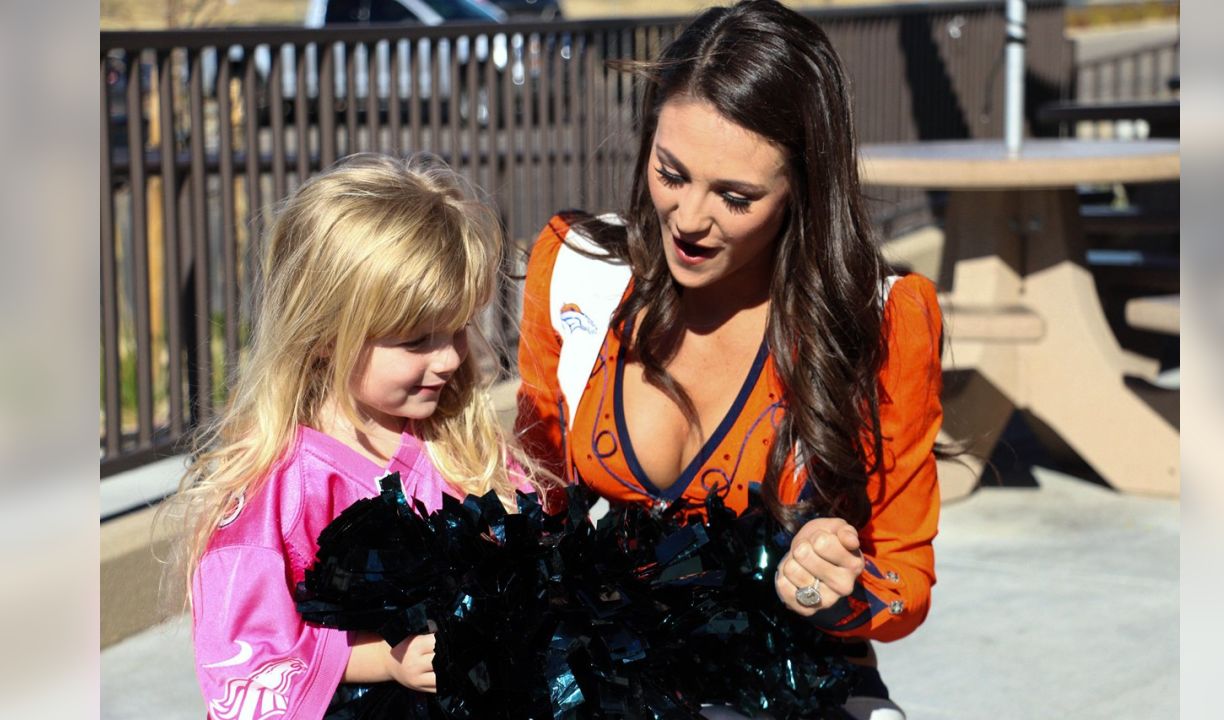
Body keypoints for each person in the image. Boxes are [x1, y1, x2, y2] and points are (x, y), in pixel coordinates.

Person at [515, 1, 943, 716]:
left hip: (791, 683)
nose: (687, 219)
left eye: (735, 197)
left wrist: (831, 590)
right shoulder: (573, 270)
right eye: (670, 172)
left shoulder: (885, 318)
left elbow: (906, 577)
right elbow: (537, 503)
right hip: (601, 677)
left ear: (802, 188)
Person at [168, 153, 542, 719]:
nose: (446, 359)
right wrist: (383, 660)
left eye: (458, 328)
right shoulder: (278, 489)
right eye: (415, 340)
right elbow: (245, 656)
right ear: (324, 334)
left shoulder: (457, 442)